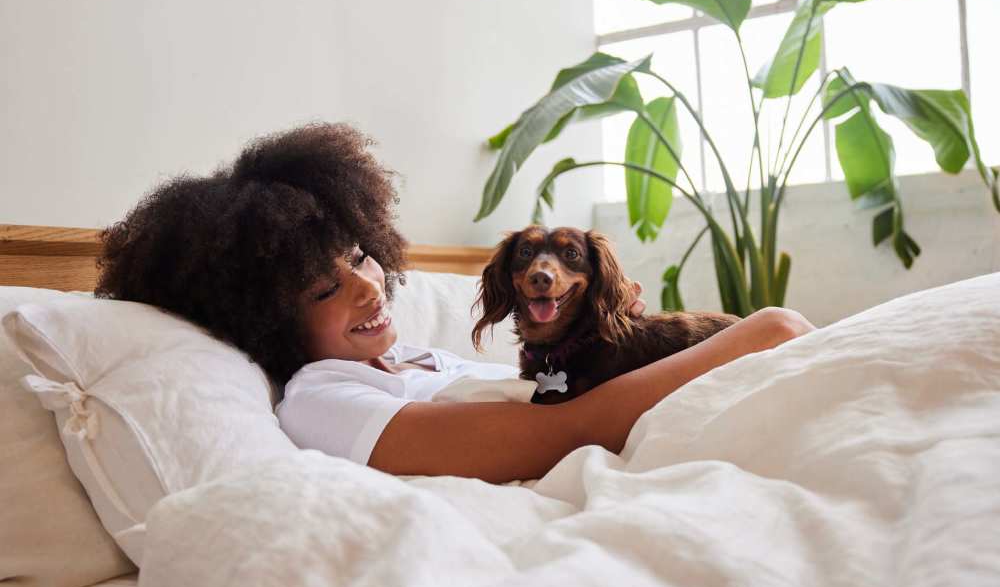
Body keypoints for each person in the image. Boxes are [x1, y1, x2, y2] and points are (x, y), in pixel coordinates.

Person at [96, 123, 815, 485]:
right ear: (266, 319)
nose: (369, 286)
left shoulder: (417, 358)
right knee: (787, 330)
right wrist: (755, 334)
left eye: (358, 257)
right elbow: (559, 432)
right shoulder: (321, 397)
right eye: (324, 288)